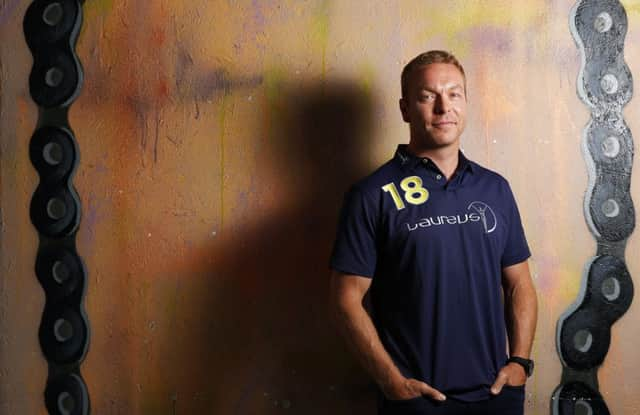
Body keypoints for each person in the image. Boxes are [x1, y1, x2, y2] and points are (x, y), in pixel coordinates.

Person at [329, 50, 538, 415]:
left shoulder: (495, 189)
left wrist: (520, 363)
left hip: (496, 397)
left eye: (454, 94)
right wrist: (392, 382)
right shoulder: (371, 195)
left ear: (466, 102)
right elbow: (345, 298)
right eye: (428, 96)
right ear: (405, 109)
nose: (444, 107)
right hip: (417, 402)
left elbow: (519, 282)